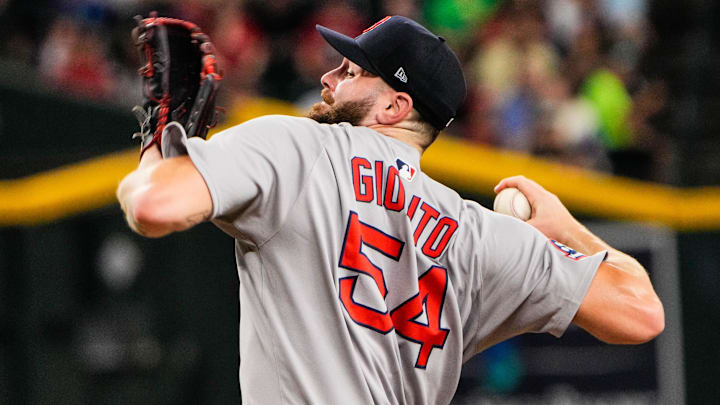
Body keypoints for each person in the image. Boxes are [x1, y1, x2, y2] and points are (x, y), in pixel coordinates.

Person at [116, 16, 664, 404]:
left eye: (352, 72)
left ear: (395, 105)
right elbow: (642, 313)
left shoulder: (300, 146)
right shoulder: (480, 234)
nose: (329, 78)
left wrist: (159, 143)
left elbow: (154, 206)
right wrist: (566, 226)